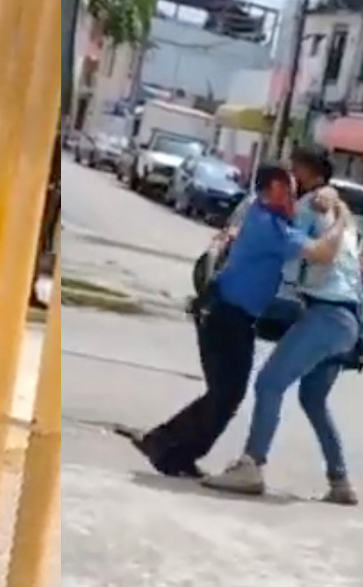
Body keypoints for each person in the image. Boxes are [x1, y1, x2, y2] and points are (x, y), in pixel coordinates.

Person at [129, 164, 347, 478]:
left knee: (226, 393)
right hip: (226, 315)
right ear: (272, 190)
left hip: (231, 316)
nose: (293, 197)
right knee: (227, 392)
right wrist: (340, 218)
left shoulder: (267, 218)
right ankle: (164, 443)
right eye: (288, 191)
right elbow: (323, 253)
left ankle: (173, 452)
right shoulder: (268, 226)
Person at [203, 185, 363, 503]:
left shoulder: (308, 211)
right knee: (313, 398)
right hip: (348, 320)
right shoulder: (343, 223)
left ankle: (252, 464)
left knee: (268, 383)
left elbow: (305, 258)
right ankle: (340, 480)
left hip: (327, 315)